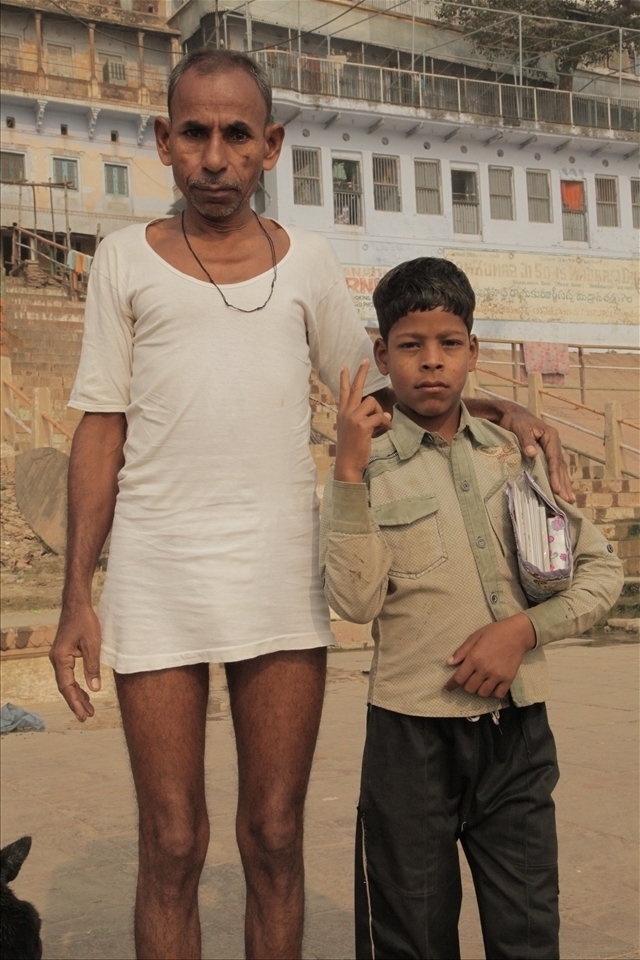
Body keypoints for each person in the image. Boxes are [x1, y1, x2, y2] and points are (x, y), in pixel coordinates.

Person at [49, 50, 575, 960]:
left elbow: (383, 386)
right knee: (172, 843)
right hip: (157, 570)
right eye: (196, 134)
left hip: (280, 575)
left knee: (276, 839)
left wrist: (497, 404)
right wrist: (76, 595)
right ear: (164, 143)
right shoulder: (123, 263)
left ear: (272, 147)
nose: (216, 156)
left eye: (237, 135)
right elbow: (101, 429)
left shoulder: (310, 264)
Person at [320, 257, 623, 960]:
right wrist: (346, 472)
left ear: (472, 351)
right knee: (412, 940)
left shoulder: (517, 457)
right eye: (410, 346)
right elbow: (356, 601)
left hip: (516, 739)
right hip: (409, 742)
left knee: (526, 937)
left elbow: (601, 572)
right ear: (381, 355)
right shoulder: (365, 469)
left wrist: (523, 630)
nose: (431, 363)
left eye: (449, 344)